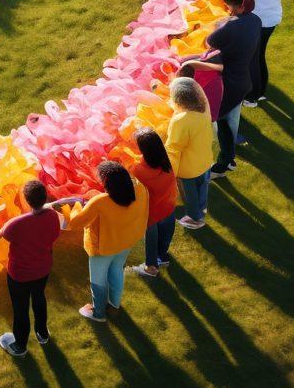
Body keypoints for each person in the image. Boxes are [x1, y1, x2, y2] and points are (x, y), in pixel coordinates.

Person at [182, 0, 261, 181]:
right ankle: (229, 158)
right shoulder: (255, 20)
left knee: (222, 123)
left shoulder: (231, 26)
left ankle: (224, 164)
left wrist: (224, 23)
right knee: (228, 121)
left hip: (229, 83)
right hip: (243, 79)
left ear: (227, 2)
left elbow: (211, 40)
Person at [57, 161, 149, 323]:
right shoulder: (141, 190)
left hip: (103, 248)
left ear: (108, 184)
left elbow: (75, 222)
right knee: (116, 271)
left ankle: (98, 313)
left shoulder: (100, 202)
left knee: (97, 282)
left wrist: (75, 206)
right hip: (126, 242)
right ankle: (114, 305)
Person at [0, 179, 61, 357]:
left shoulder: (16, 224)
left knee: (21, 309)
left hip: (20, 275)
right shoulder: (52, 216)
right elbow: (54, 234)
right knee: (39, 298)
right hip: (43, 269)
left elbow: (2, 233)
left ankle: (20, 345)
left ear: (26, 200)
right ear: (45, 197)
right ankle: (42, 334)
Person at [163, 77, 216, 229]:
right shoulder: (203, 108)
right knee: (202, 187)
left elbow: (174, 148)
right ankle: (202, 208)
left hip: (188, 169)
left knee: (189, 195)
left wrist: (169, 172)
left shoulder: (180, 120)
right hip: (205, 161)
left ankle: (195, 219)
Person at [129, 128, 179, 277]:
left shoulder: (138, 170)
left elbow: (135, 193)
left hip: (151, 212)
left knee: (151, 239)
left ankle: (151, 267)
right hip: (168, 206)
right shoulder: (167, 161)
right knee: (165, 234)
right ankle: (162, 257)